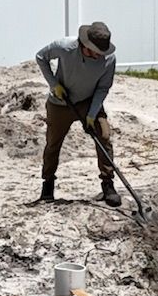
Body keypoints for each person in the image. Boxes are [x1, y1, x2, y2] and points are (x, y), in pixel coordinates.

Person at [35, 21, 119, 207]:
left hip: (89, 101)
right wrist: (54, 85)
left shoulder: (108, 59)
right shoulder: (65, 47)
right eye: (96, 51)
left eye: (102, 52)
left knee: (104, 136)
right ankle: (48, 184)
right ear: (85, 46)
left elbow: (103, 87)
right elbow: (41, 57)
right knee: (53, 143)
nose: (100, 55)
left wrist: (92, 113)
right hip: (61, 102)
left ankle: (108, 184)